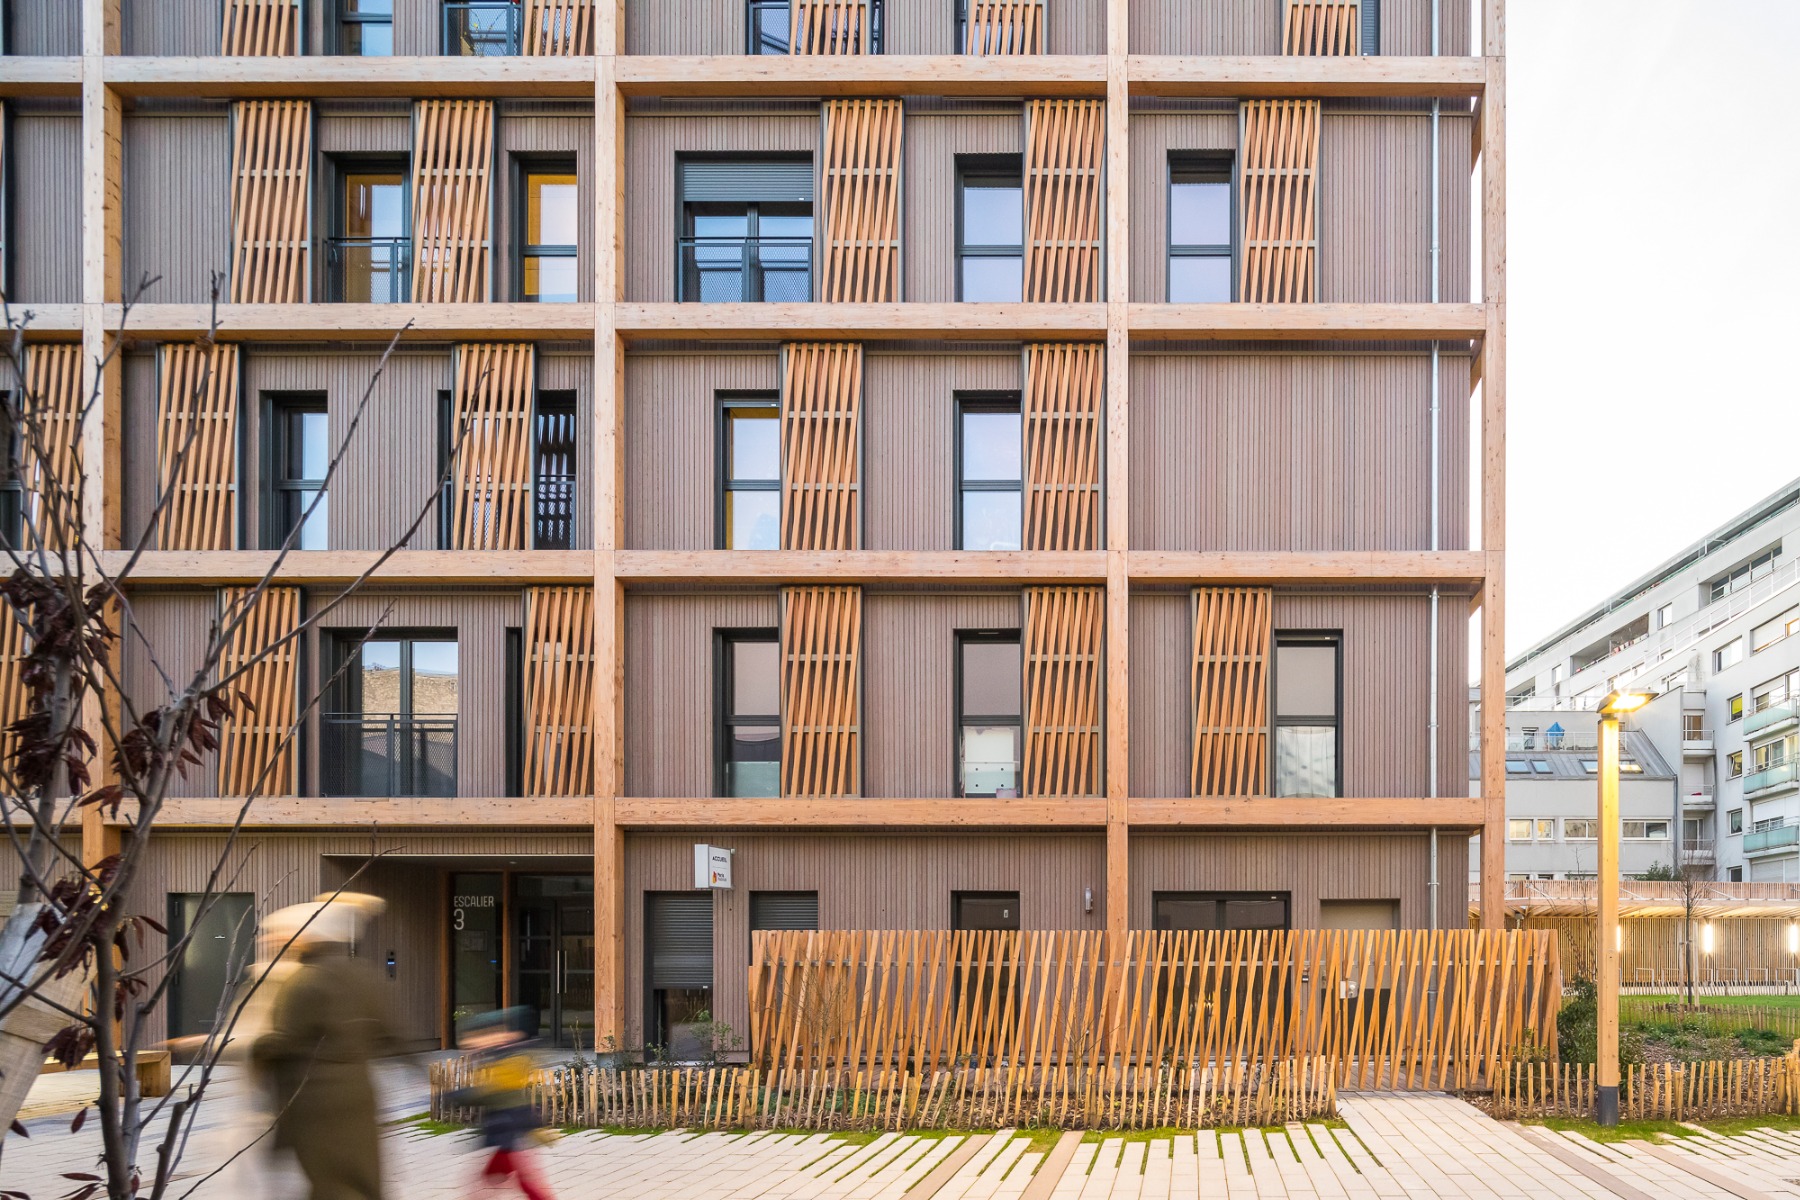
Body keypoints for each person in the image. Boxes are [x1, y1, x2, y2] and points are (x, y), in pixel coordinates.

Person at [251, 893, 394, 1200]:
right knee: (363, 1178)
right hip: (359, 1092)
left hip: (315, 1100)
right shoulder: (365, 974)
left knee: (330, 1181)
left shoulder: (304, 981)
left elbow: (284, 1041)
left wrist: (257, 1048)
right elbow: (391, 1031)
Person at [448, 1007, 556, 1200]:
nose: (469, 1043)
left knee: (521, 1183)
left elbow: (492, 1092)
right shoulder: (501, 1057)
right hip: (506, 1133)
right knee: (501, 1179)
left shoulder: (512, 1060)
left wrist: (457, 1096)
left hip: (512, 1132)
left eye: (477, 1036)